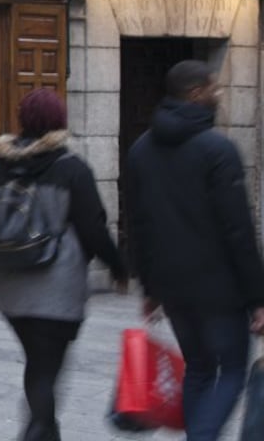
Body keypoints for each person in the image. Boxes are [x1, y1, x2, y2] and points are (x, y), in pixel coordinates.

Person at [0, 88, 127, 441]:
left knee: (38, 364)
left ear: (22, 121)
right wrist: (119, 268)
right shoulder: (71, 169)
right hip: (59, 287)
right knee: (46, 368)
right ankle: (37, 432)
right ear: (59, 122)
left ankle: (43, 431)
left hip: (11, 287)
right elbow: (93, 228)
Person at [124, 59, 264, 441]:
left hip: (173, 288)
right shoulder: (218, 150)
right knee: (233, 369)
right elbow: (237, 230)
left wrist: (151, 289)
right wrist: (257, 298)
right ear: (195, 93)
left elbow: (138, 225)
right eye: (214, 87)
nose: (219, 93)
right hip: (220, 288)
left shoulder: (140, 150)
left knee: (200, 368)